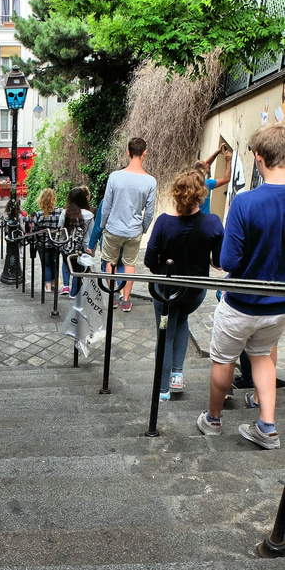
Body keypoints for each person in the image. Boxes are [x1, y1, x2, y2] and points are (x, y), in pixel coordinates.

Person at [197, 124, 285, 449]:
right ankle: (267, 426)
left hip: (240, 304)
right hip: (278, 307)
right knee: (263, 357)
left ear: (259, 157)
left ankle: (213, 420)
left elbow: (228, 261)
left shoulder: (244, 203)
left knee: (224, 360)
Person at [145, 169, 224, 400]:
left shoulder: (163, 223)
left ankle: (162, 390)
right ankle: (176, 375)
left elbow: (149, 260)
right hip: (194, 292)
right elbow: (219, 261)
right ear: (202, 194)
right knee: (182, 319)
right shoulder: (213, 223)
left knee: (165, 335)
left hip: (165, 290)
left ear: (175, 193)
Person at [100, 137, 157, 312]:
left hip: (113, 228)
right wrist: (144, 228)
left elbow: (106, 205)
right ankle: (126, 300)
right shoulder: (150, 181)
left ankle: (113, 297)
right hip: (134, 230)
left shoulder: (115, 177)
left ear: (128, 152)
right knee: (129, 263)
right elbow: (149, 212)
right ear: (145, 153)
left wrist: (103, 225)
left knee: (111, 261)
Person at [59, 186, 94, 297]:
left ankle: (65, 286)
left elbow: (60, 230)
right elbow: (91, 233)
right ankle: (74, 293)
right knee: (78, 270)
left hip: (66, 246)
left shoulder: (64, 213)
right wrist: (91, 249)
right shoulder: (89, 215)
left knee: (66, 263)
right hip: (82, 248)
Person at [32, 188, 63, 292]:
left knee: (46, 265)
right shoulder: (59, 212)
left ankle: (48, 287)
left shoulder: (39, 214)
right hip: (55, 243)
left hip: (43, 243)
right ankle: (54, 284)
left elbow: (34, 229)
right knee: (54, 263)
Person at [195, 143, 232, 214]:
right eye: (206, 165)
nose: (208, 164)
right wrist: (228, 161)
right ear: (203, 170)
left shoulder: (192, 180)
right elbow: (226, 179)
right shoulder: (206, 184)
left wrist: (218, 152)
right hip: (204, 219)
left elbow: (207, 164)